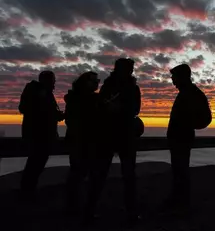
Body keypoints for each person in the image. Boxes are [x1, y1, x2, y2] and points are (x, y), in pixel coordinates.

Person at [85, 58, 141, 224]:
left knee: (104, 175)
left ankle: (91, 212)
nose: (130, 71)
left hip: (112, 135)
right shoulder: (126, 87)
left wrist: (116, 109)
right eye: (128, 68)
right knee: (119, 176)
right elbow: (134, 110)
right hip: (116, 135)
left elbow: (133, 109)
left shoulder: (111, 86)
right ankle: (129, 213)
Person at [164, 64, 211, 211]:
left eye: (174, 76)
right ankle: (178, 203)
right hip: (179, 139)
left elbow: (204, 118)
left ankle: (181, 206)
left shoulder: (191, 93)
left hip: (181, 139)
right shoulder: (187, 92)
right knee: (179, 172)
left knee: (181, 173)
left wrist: (186, 125)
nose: (172, 79)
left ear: (181, 77)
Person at [18, 71, 64, 195]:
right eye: (53, 80)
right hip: (38, 135)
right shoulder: (37, 91)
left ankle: (28, 190)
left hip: (41, 135)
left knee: (36, 164)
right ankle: (27, 191)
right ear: (46, 80)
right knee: (35, 164)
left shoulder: (44, 92)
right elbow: (25, 108)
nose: (54, 82)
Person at [64, 71, 101, 211]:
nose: (97, 82)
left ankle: (77, 204)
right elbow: (73, 121)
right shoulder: (78, 99)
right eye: (93, 80)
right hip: (80, 141)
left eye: (97, 80)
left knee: (83, 173)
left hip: (86, 141)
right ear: (84, 83)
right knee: (79, 173)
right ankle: (73, 205)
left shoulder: (79, 98)